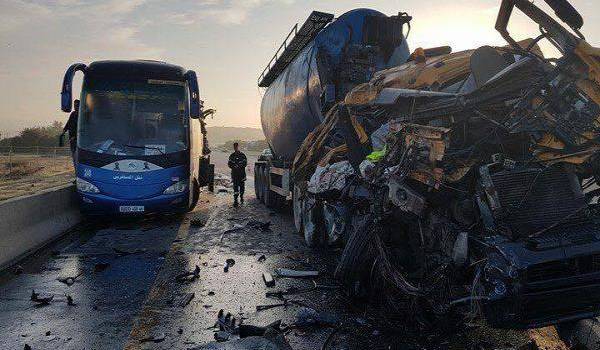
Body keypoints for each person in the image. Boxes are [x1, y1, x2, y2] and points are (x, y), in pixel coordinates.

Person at [228, 142, 247, 207]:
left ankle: (241, 197)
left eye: (236, 146)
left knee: (242, 187)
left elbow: (245, 163)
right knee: (235, 187)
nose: (235, 148)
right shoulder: (232, 155)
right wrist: (234, 166)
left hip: (241, 174)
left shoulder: (242, 155)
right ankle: (235, 200)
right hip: (235, 174)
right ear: (233, 147)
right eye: (234, 147)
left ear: (238, 147)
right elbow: (229, 164)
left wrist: (238, 166)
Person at [62, 99, 79, 166]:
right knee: (73, 155)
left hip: (78, 139)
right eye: (74, 105)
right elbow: (68, 123)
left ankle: (78, 169)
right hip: (71, 138)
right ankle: (76, 168)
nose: (75, 107)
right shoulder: (73, 114)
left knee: (77, 155)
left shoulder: (82, 115)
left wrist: (75, 137)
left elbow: (82, 129)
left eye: (77, 105)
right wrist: (64, 130)